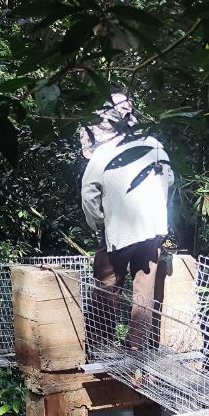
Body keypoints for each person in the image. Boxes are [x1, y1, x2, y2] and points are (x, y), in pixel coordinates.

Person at [80, 92, 174, 352]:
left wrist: (98, 223)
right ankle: (137, 345)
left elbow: (89, 193)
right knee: (144, 288)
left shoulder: (105, 152)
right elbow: (169, 180)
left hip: (120, 231)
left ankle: (100, 345)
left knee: (107, 285)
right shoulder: (154, 145)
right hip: (153, 228)